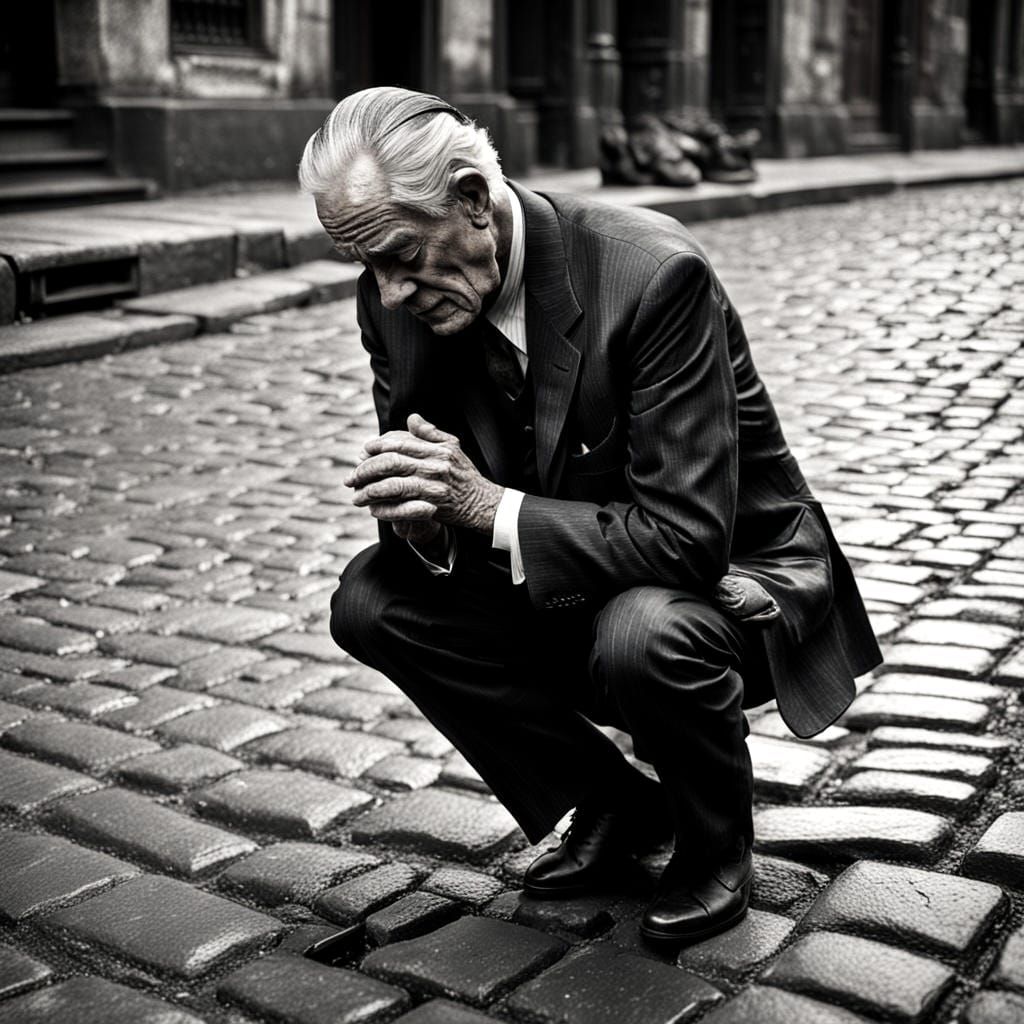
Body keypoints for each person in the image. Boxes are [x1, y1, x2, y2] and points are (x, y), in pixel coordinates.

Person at [299, 86, 881, 945]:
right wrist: (425, 524)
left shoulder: (652, 273)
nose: (387, 294)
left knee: (642, 630)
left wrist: (487, 506)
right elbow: (438, 495)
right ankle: (615, 805)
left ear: (472, 200)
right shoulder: (396, 302)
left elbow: (685, 541)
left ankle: (715, 843)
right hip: (559, 574)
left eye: (399, 254)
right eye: (369, 266)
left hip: (725, 581)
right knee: (371, 600)